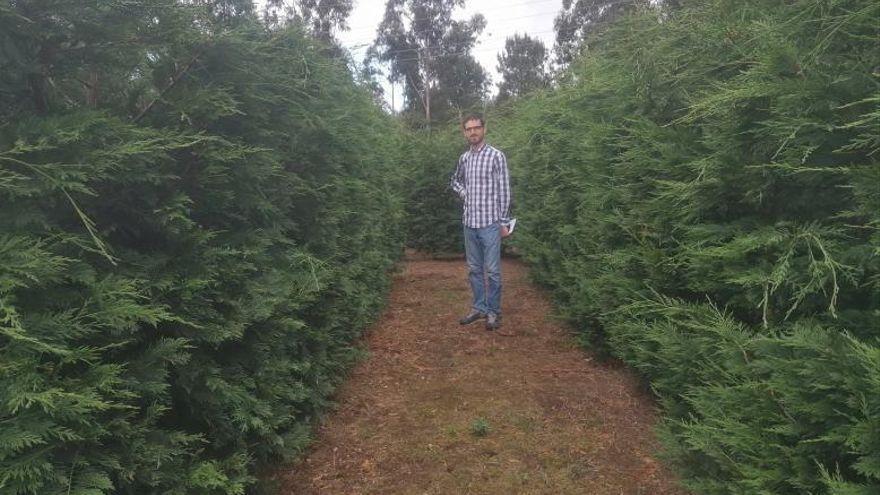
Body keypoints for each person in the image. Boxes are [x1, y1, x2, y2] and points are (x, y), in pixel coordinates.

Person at [450, 113, 511, 331]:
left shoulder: (496, 156)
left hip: (490, 224)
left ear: (484, 129)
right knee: (474, 269)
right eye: (469, 129)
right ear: (464, 132)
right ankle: (479, 308)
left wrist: (503, 222)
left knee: (493, 271)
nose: (473, 132)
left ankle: (493, 312)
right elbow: (455, 181)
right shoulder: (464, 159)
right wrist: (464, 193)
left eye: (476, 128)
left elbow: (504, 191)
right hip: (470, 223)